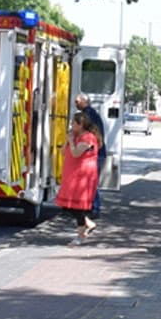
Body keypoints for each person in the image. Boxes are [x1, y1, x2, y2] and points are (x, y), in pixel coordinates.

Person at [55, 112, 101, 245]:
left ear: (81, 125)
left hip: (83, 176)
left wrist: (71, 141)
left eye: (74, 123)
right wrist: (67, 140)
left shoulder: (88, 138)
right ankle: (89, 224)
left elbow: (76, 153)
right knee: (67, 205)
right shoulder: (75, 136)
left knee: (78, 206)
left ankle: (80, 235)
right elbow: (64, 152)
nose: (71, 125)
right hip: (72, 174)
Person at [74, 93, 106, 218]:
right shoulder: (92, 113)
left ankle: (95, 208)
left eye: (77, 101)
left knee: (91, 182)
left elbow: (87, 134)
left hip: (95, 155)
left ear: (84, 101)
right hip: (97, 154)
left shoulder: (88, 115)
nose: (75, 104)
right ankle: (88, 207)